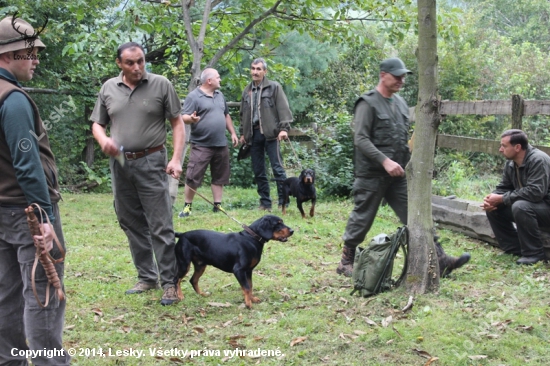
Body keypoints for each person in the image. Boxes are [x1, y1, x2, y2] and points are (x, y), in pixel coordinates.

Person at [91, 42, 184, 305]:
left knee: (160, 224)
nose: (137, 67)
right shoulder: (109, 88)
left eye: (141, 61)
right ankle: (146, 276)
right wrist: (103, 140)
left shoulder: (161, 84)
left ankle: (169, 283)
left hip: (152, 160)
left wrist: (176, 159)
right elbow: (97, 124)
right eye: (130, 63)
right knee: (130, 221)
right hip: (120, 163)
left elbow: (177, 123)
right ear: (119, 64)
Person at [0, 16, 70, 365]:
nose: (36, 60)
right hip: (26, 213)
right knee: (42, 291)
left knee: (6, 294)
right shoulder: (12, 100)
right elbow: (26, 165)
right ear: (8, 55)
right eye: (30, 53)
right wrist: (42, 217)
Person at [336, 57, 412, 276]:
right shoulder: (367, 103)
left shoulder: (401, 104)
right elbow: (360, 139)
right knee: (363, 216)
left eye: (403, 76)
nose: (401, 80)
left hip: (398, 175)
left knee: (414, 214)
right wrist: (384, 161)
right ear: (382, 75)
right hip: (372, 173)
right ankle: (345, 262)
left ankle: (437, 256)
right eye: (396, 76)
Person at [481, 129, 550, 265]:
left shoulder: (538, 160)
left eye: (504, 146)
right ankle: (514, 248)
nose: (500, 149)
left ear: (517, 147)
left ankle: (534, 254)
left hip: (546, 206)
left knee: (521, 206)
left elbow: (535, 193)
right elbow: (504, 187)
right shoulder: (511, 163)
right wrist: (492, 199)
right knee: (495, 208)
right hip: (537, 207)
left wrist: (502, 198)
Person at [178, 68, 238, 217]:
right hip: (201, 144)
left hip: (220, 143)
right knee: (193, 176)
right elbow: (183, 116)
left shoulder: (220, 95)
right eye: (218, 77)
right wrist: (190, 119)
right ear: (209, 81)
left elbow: (226, 115)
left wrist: (233, 133)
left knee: (220, 176)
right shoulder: (194, 96)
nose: (220, 80)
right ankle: (187, 207)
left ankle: (218, 205)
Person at [239, 58, 293, 211]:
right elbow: (243, 114)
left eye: (258, 69)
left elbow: (283, 109)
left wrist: (284, 128)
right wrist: (242, 133)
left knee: (277, 168)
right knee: (258, 170)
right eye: (253, 68)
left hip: (272, 134)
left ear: (265, 71)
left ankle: (284, 201)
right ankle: (265, 203)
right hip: (253, 134)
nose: (255, 72)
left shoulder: (274, 87)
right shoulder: (247, 90)